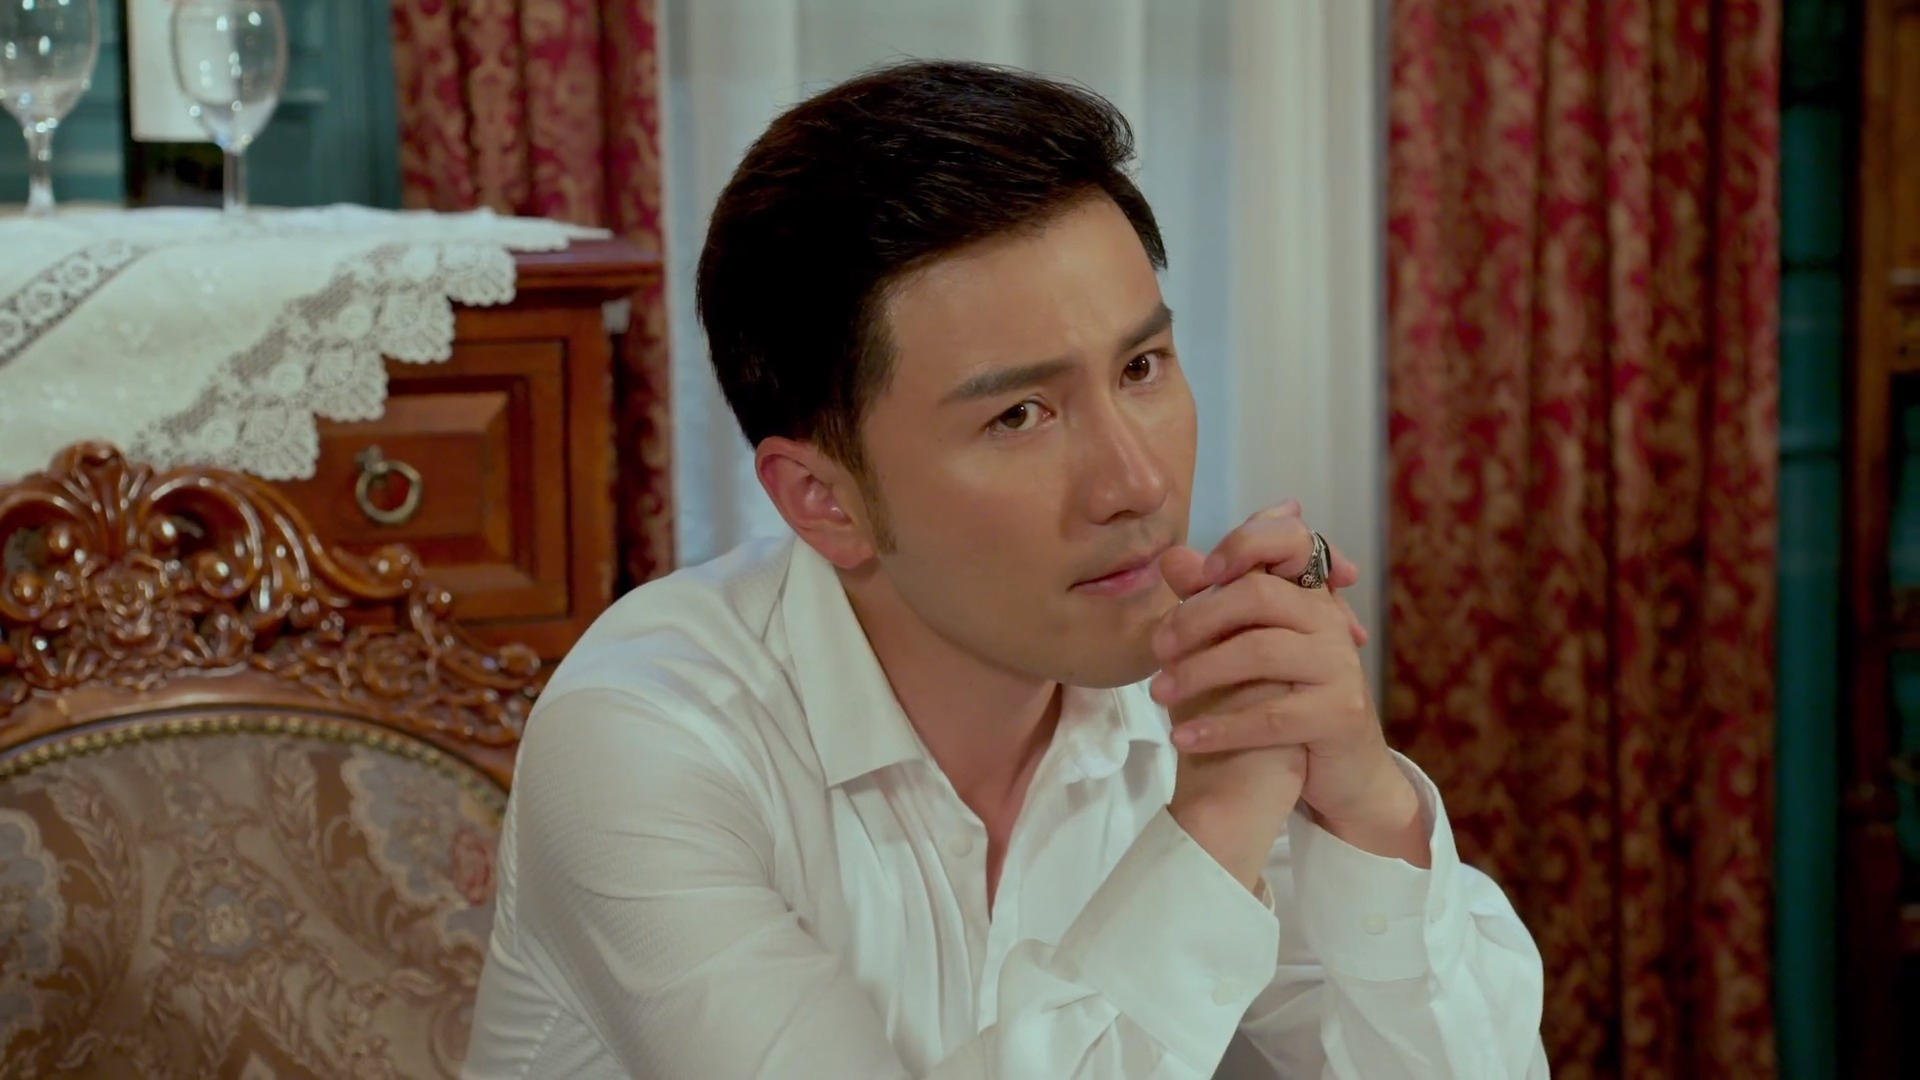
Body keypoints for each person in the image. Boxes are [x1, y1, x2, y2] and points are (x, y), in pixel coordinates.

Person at [462, 60, 1548, 1079]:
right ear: (823, 500)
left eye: (1142, 366)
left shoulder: (1188, 690)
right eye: (1020, 415)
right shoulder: (644, 740)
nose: (1135, 483)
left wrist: (1366, 808)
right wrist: (1214, 831)